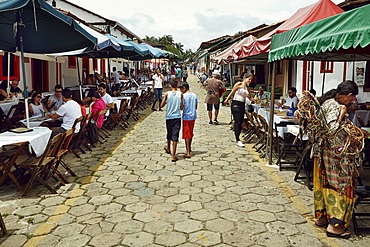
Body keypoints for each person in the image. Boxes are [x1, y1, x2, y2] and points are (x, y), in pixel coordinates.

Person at [296, 80, 369, 239]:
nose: (351, 102)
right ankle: (334, 226)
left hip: (323, 156)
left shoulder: (327, 102)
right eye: (352, 99)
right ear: (348, 95)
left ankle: (322, 218)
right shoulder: (336, 107)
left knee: (324, 186)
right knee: (341, 188)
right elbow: (332, 130)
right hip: (336, 159)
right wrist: (343, 115)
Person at [224, 73, 255, 147]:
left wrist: (253, 100)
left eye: (251, 80)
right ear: (245, 78)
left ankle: (237, 136)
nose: (250, 81)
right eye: (249, 79)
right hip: (236, 104)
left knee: (241, 121)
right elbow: (232, 92)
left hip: (242, 104)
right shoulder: (239, 84)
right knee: (237, 121)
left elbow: (249, 97)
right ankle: (237, 139)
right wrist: (226, 100)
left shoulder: (247, 88)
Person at [160, 81, 183, 162]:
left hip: (169, 117)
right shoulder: (180, 94)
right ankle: (173, 155)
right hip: (177, 116)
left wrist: (167, 102)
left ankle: (168, 148)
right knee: (175, 135)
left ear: (170, 86)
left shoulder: (167, 94)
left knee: (169, 133)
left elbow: (161, 105)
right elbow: (181, 107)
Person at [180, 82, 198, 158]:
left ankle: (187, 152)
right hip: (193, 116)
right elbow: (196, 106)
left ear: (184, 88)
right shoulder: (194, 95)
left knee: (186, 134)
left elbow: (181, 107)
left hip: (186, 117)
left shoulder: (184, 96)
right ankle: (189, 148)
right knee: (190, 132)